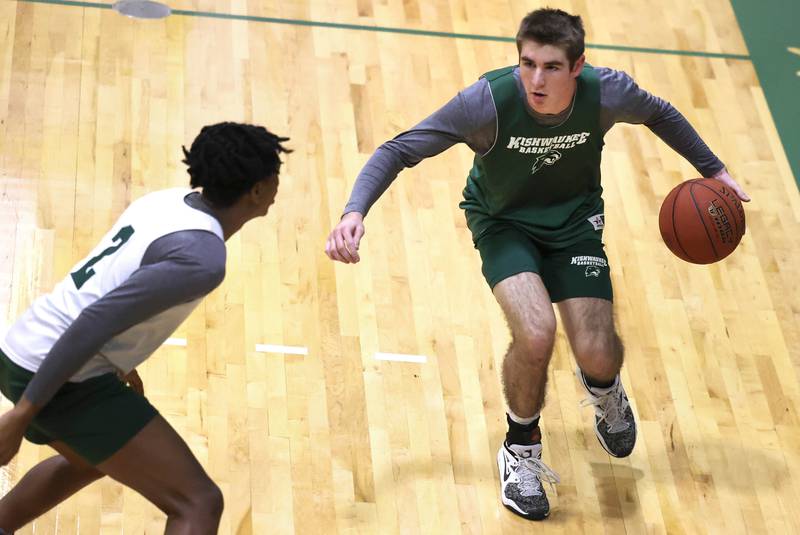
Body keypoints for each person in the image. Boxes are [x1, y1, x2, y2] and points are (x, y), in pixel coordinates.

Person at [325, 8, 749, 521]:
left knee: (598, 352)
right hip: (503, 224)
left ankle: (603, 384)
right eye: (527, 63)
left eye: (550, 67)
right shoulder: (488, 103)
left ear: (577, 67)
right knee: (536, 331)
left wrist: (715, 172)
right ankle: (520, 449)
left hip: (574, 224)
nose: (535, 79)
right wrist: (354, 212)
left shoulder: (606, 93)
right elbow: (400, 149)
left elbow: (661, 113)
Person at [0, 122, 291, 534]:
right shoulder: (201, 258)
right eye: (275, 173)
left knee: (90, 460)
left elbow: (112, 285)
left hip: (23, 348)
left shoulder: (170, 201)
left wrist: (122, 367)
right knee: (198, 502)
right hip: (58, 372)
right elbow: (97, 319)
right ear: (258, 190)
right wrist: (22, 414)